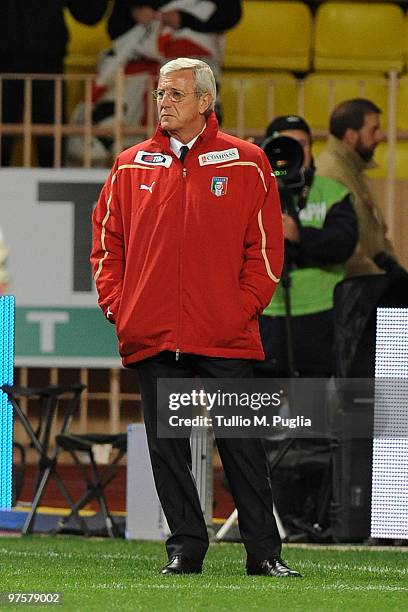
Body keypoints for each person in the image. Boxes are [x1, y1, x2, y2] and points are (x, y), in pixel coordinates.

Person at [91, 57, 301, 578]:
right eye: (162, 93)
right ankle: (185, 548)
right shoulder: (130, 163)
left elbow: (267, 249)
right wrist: (121, 307)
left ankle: (264, 554)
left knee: (242, 447)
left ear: (205, 101)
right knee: (168, 450)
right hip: (155, 334)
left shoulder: (247, 162)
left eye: (176, 94)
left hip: (223, 334)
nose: (164, 102)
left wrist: (240, 307)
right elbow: (104, 244)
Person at [258, 115, 358, 377]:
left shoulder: (331, 191)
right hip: (264, 315)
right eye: (285, 143)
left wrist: (299, 235)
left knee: (311, 411)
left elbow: (344, 242)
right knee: (257, 409)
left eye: (303, 143)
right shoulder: (251, 191)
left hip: (320, 314)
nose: (295, 150)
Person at [0, 1, 109, 167]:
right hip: (7, 67)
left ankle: (54, 189)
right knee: (4, 143)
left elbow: (89, 14)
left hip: (49, 65)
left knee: (52, 147)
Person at [316, 98, 399, 277]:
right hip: (352, 290)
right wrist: (377, 278)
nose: (380, 136)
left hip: (362, 286)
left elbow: (375, 231)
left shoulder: (354, 170)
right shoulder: (329, 173)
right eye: (374, 130)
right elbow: (342, 242)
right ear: (351, 135)